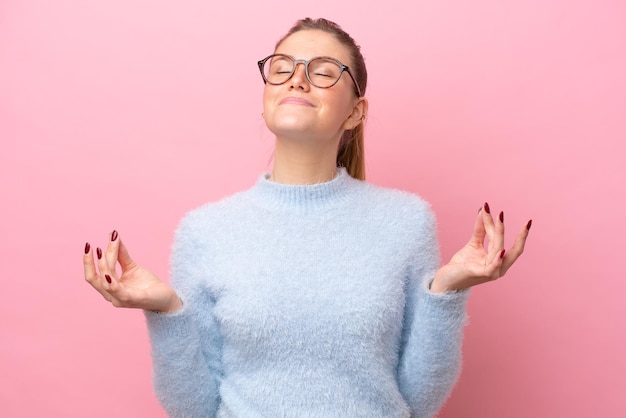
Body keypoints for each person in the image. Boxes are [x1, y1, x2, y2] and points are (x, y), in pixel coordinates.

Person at [83, 18, 531, 418]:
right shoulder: (204, 231)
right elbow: (196, 409)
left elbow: (416, 401)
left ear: (356, 112)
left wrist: (447, 293)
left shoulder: (406, 221)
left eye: (322, 71)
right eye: (282, 67)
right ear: (265, 97)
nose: (298, 80)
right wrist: (167, 311)